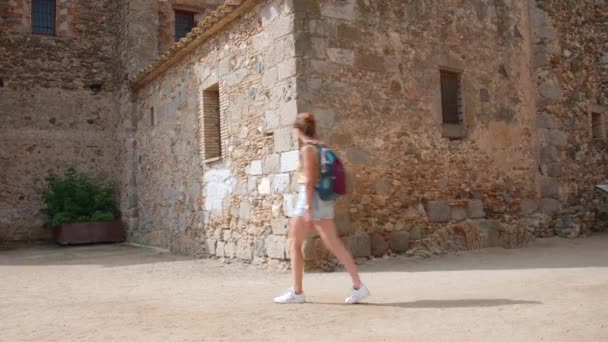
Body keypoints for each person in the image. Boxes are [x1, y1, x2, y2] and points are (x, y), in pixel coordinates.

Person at [273, 112, 370, 304]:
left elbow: (309, 181)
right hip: (322, 200)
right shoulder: (321, 146)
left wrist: (308, 209)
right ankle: (358, 286)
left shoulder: (307, 149)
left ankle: (297, 292)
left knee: (294, 242)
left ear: (298, 130)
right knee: (333, 244)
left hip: (309, 199)